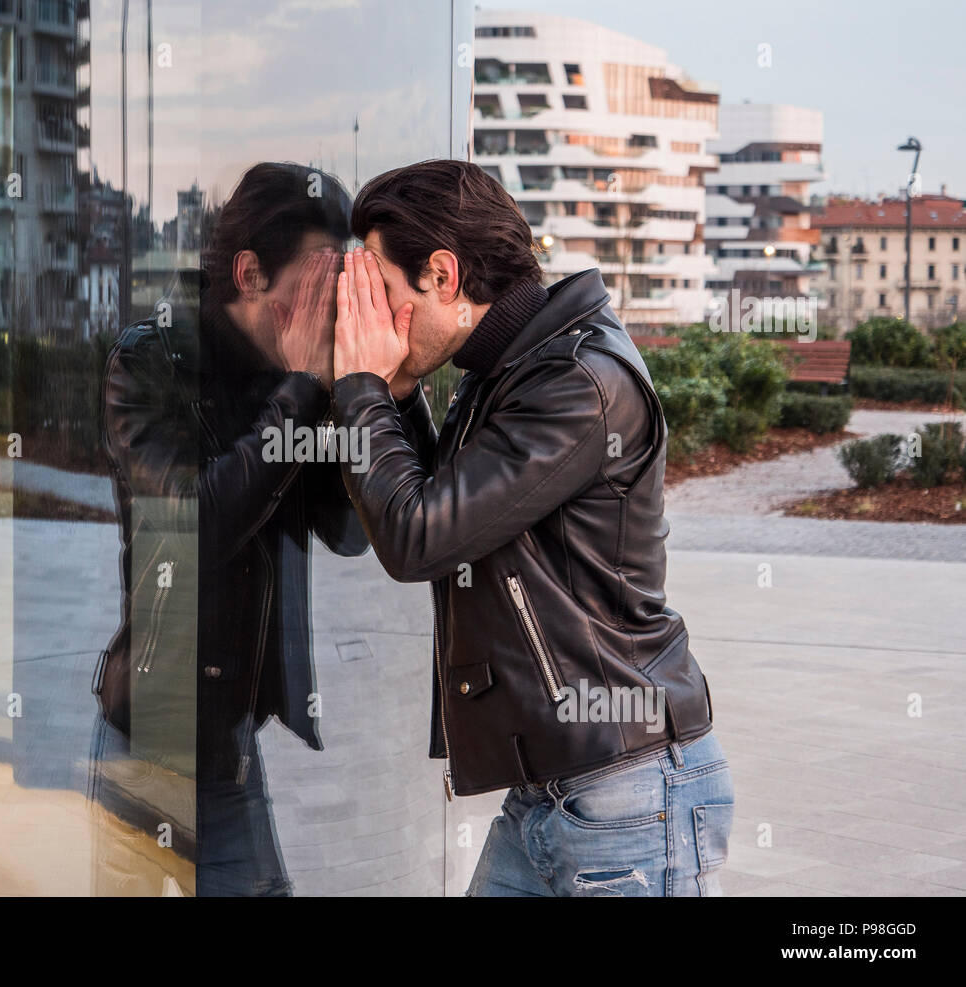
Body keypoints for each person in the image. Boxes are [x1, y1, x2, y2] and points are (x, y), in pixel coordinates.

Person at [329, 159, 734, 896]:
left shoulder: (577, 381)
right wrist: (396, 391)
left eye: (385, 294)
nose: (378, 322)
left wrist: (360, 388)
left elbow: (418, 534)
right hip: (555, 787)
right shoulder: (511, 371)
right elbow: (445, 505)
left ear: (443, 275)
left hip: (629, 793)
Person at [91, 162, 368, 896]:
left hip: (228, 741)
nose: (323, 312)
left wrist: (368, 391)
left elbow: (350, 531)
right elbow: (192, 528)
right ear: (249, 272)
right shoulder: (149, 361)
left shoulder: (283, 378)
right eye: (311, 289)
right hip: (149, 741)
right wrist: (305, 391)